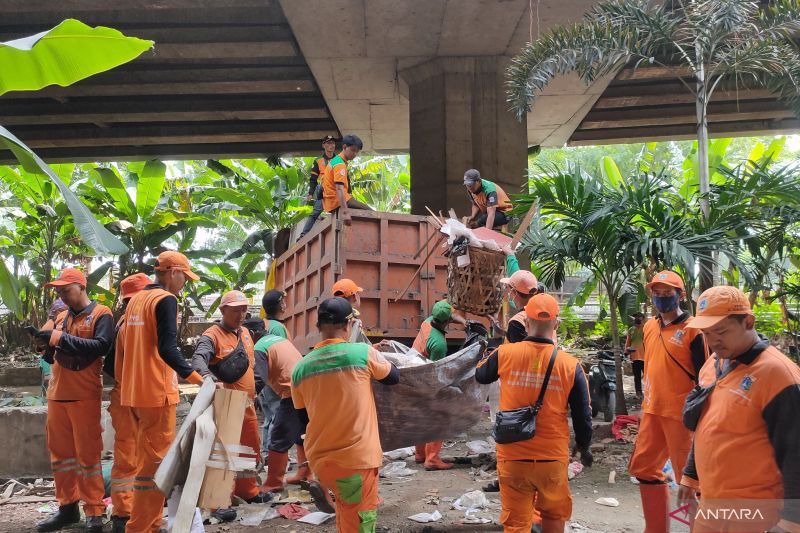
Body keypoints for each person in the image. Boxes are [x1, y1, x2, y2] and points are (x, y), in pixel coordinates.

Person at [678, 286, 800, 533]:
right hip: (711, 506)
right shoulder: (714, 364)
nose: (713, 342)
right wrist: (690, 475)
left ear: (748, 322)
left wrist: (791, 522)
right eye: (706, 334)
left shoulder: (778, 375)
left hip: (756, 514)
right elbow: (707, 423)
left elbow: (796, 454)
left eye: (721, 331)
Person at [475, 294, 593, 533]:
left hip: (513, 457)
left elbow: (481, 375)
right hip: (552, 458)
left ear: (526, 323)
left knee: (516, 524)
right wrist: (583, 446)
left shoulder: (505, 354)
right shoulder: (570, 366)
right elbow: (583, 415)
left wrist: (486, 349)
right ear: (556, 324)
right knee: (553, 518)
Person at [291, 297, 400, 532]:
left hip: (321, 460)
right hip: (355, 459)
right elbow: (393, 377)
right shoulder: (362, 353)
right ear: (348, 325)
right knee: (360, 521)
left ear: (318, 327)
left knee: (347, 510)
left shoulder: (300, 368)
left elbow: (302, 420)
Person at [121, 251, 205, 533]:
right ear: (172, 273)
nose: (185, 283)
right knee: (156, 469)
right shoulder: (165, 300)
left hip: (134, 393)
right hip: (156, 393)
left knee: (144, 463)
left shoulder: (137, 300)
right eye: (185, 277)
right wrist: (196, 378)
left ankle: (149, 523)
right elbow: (167, 349)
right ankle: (142, 527)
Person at [32, 268, 114, 533]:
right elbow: (53, 356)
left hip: (84, 396)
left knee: (88, 456)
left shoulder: (102, 314)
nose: (62, 296)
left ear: (81, 286)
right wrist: (43, 344)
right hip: (57, 396)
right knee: (62, 457)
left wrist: (59, 337)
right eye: (59, 292)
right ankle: (67, 509)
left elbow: (101, 346)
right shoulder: (61, 317)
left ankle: (94, 512)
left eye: (66, 290)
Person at [628, 270, 706, 533]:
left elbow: (704, 377)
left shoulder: (694, 330)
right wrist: (643, 406)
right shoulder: (649, 326)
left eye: (667, 293)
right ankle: (656, 529)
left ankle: (698, 529)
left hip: (681, 416)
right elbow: (652, 367)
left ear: (680, 295)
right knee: (645, 470)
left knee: (691, 480)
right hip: (652, 412)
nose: (661, 298)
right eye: (656, 293)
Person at [191, 290, 272, 504]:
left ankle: (248, 491)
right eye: (235, 310)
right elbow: (198, 359)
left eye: (244, 309)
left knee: (249, 450)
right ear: (223, 310)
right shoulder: (212, 335)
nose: (241, 314)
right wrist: (207, 378)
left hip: (247, 407)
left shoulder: (245, 333)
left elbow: (252, 365)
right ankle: (218, 500)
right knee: (223, 453)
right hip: (226, 406)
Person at [103, 273, 150, 533]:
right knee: (146, 458)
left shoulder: (121, 322)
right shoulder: (141, 321)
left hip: (123, 395)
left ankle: (123, 515)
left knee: (125, 457)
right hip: (141, 396)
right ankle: (138, 518)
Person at [411, 300, 465, 470]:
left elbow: (447, 315)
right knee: (439, 416)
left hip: (412, 374)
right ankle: (432, 459)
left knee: (421, 416)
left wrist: (464, 322)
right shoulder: (439, 344)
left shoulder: (427, 322)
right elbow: (436, 372)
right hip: (426, 380)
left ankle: (420, 454)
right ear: (447, 321)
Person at [252, 329, 305, 492]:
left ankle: (274, 482)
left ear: (252, 334)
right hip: (308, 387)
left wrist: (249, 396)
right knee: (302, 434)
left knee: (278, 435)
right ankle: (304, 474)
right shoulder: (279, 340)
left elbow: (259, 377)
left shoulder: (259, 347)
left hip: (292, 392)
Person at [321, 134, 372, 226]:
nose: (355, 154)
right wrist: (345, 212)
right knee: (370, 211)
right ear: (344, 147)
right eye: (353, 150)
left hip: (331, 200)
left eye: (357, 151)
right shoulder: (339, 164)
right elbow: (339, 188)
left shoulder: (335, 160)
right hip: (336, 199)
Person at [299, 135, 337, 239]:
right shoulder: (318, 161)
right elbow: (313, 179)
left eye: (333, 143)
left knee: (339, 212)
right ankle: (303, 235)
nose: (331, 145)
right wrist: (311, 193)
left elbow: (346, 177)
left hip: (336, 190)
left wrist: (349, 191)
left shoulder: (339, 159)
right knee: (315, 213)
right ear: (323, 145)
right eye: (329, 143)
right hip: (323, 190)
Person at [625, 312, 646, 398]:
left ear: (643, 319)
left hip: (646, 357)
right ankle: (638, 393)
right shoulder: (631, 330)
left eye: (639, 318)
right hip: (634, 357)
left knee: (647, 376)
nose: (637, 319)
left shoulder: (646, 328)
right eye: (636, 318)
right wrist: (626, 352)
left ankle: (649, 392)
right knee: (637, 376)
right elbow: (628, 342)